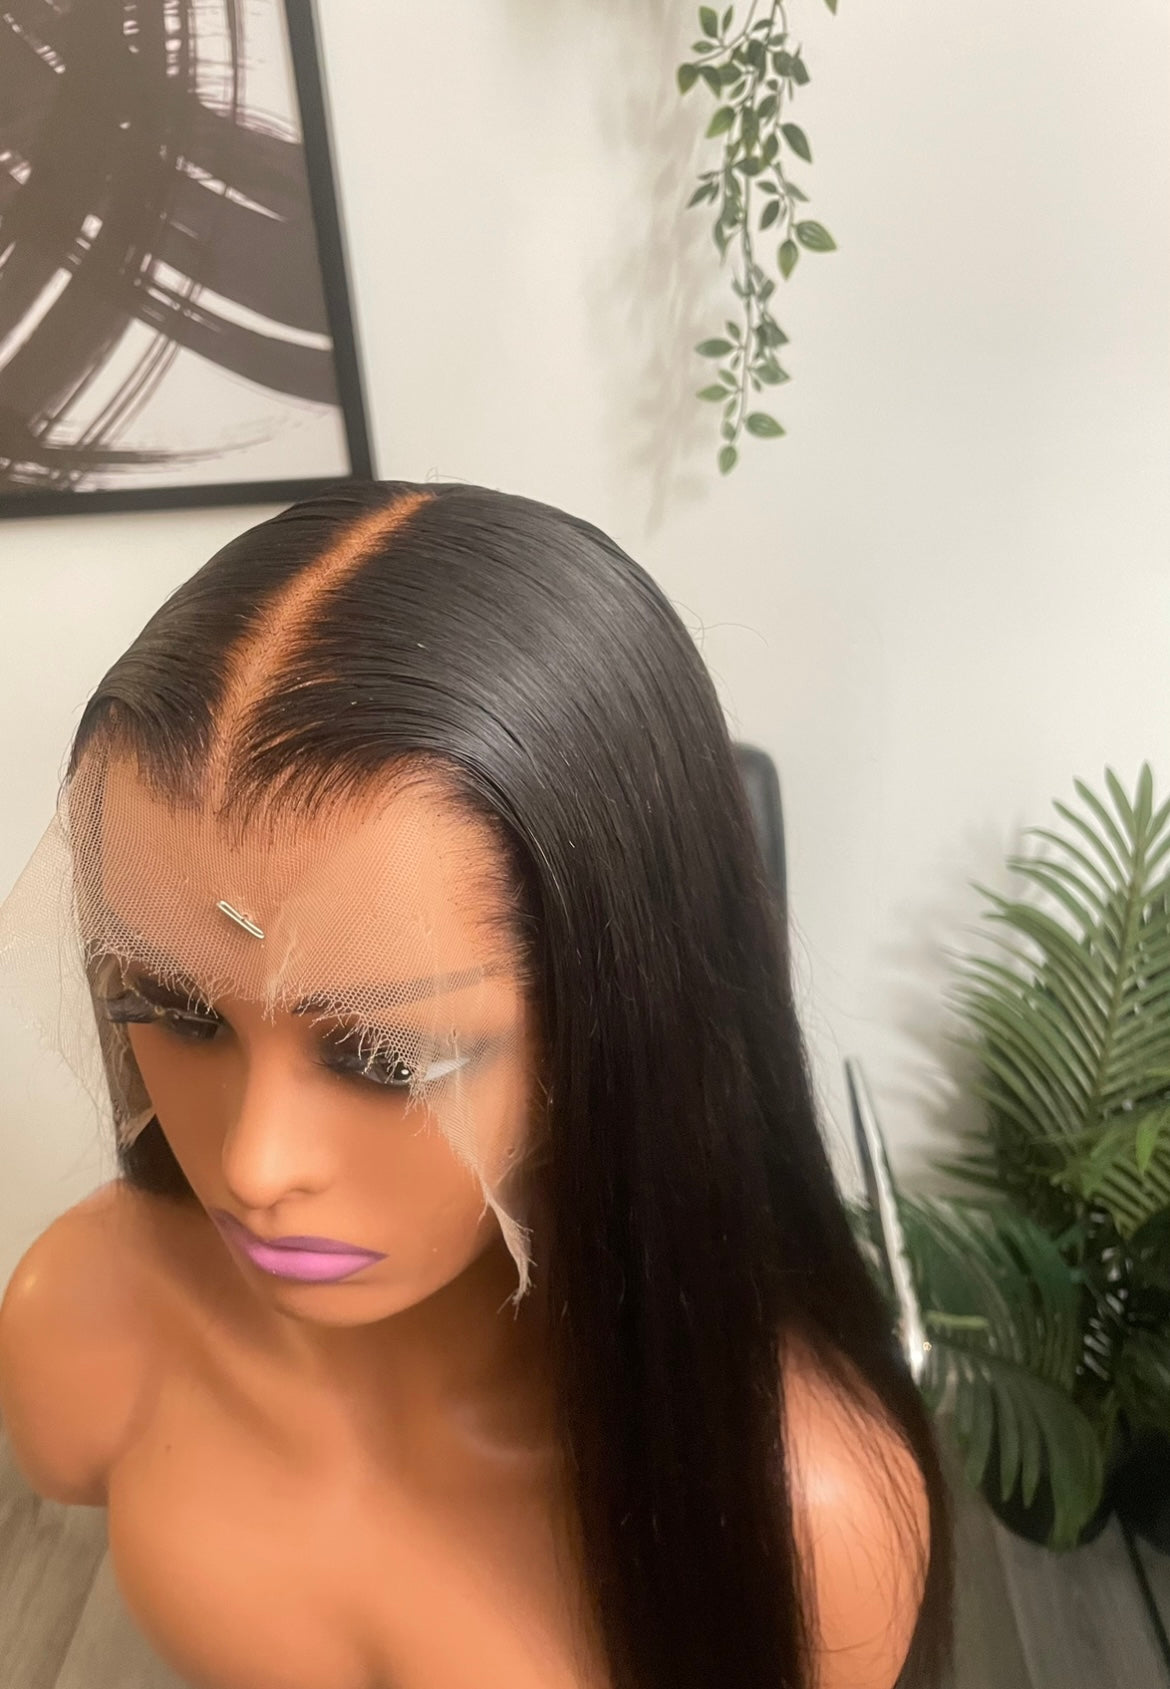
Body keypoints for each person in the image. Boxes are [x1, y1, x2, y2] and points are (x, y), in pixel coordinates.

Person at [0, 481, 953, 1689]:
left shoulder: (804, 1515)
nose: (254, 1165)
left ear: (617, 1020)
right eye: (172, 1010)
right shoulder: (85, 1323)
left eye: (385, 1058)